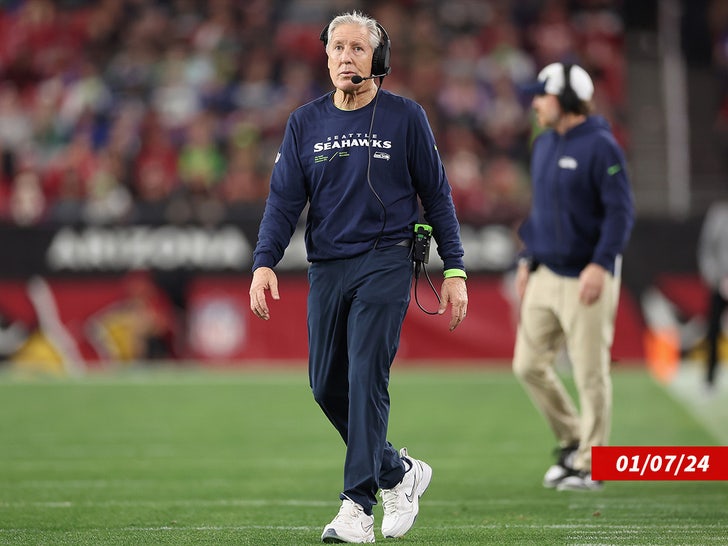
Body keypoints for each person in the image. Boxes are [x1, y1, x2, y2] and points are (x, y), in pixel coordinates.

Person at [248, 11, 468, 544]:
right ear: (325, 58)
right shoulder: (305, 122)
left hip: (387, 260)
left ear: (379, 59)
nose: (347, 57)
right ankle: (399, 472)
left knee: (367, 374)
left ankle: (356, 507)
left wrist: (455, 268)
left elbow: (437, 196)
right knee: (326, 385)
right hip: (327, 265)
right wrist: (263, 262)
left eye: (358, 49)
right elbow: (283, 201)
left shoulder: (406, 117)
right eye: (338, 49)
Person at [512, 62, 635, 492]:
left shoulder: (603, 146)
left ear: (564, 99)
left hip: (588, 274)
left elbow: (621, 213)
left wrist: (601, 264)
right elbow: (541, 212)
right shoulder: (543, 144)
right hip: (546, 271)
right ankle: (572, 441)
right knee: (527, 365)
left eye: (542, 95)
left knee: (590, 373)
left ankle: (592, 464)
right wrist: (527, 257)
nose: (535, 104)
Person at [697, 200, 728, 390]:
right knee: (713, 331)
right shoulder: (719, 215)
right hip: (720, 285)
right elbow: (707, 251)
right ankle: (709, 378)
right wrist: (719, 280)